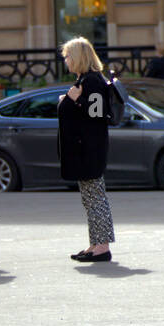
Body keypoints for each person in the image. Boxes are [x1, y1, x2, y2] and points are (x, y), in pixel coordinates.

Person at [57, 37, 115, 263]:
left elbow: (96, 114)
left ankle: (102, 247)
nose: (66, 61)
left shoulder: (91, 81)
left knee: (95, 197)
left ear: (79, 57)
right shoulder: (85, 80)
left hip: (90, 149)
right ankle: (95, 243)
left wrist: (73, 101)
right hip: (84, 148)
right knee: (90, 198)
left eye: (68, 56)